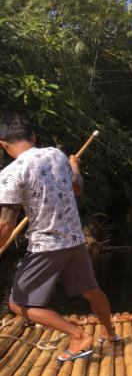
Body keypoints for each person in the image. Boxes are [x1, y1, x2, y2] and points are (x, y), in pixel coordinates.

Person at [0, 114, 119, 363]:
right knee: (91, 290)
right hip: (74, 240)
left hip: (47, 245)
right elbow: (78, 188)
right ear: (33, 137)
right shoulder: (57, 155)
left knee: (17, 304)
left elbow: (6, 223)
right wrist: (74, 166)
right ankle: (110, 333)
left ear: (3, 144)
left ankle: (78, 336)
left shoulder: (11, 173)